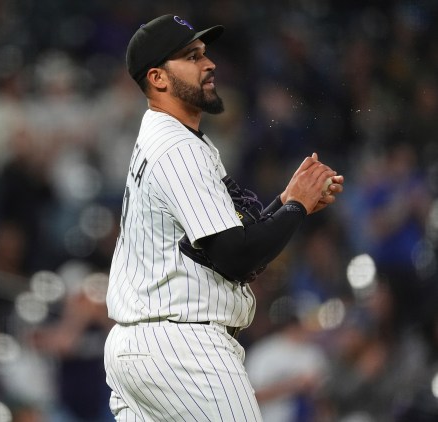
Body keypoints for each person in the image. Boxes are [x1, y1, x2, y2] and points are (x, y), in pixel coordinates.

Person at [103, 14, 344, 421]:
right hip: (182, 348)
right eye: (191, 57)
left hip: (144, 346)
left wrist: (287, 201)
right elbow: (235, 257)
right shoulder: (177, 148)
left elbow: (228, 243)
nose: (208, 63)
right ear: (158, 78)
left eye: (204, 53)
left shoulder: (168, 137)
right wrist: (296, 206)